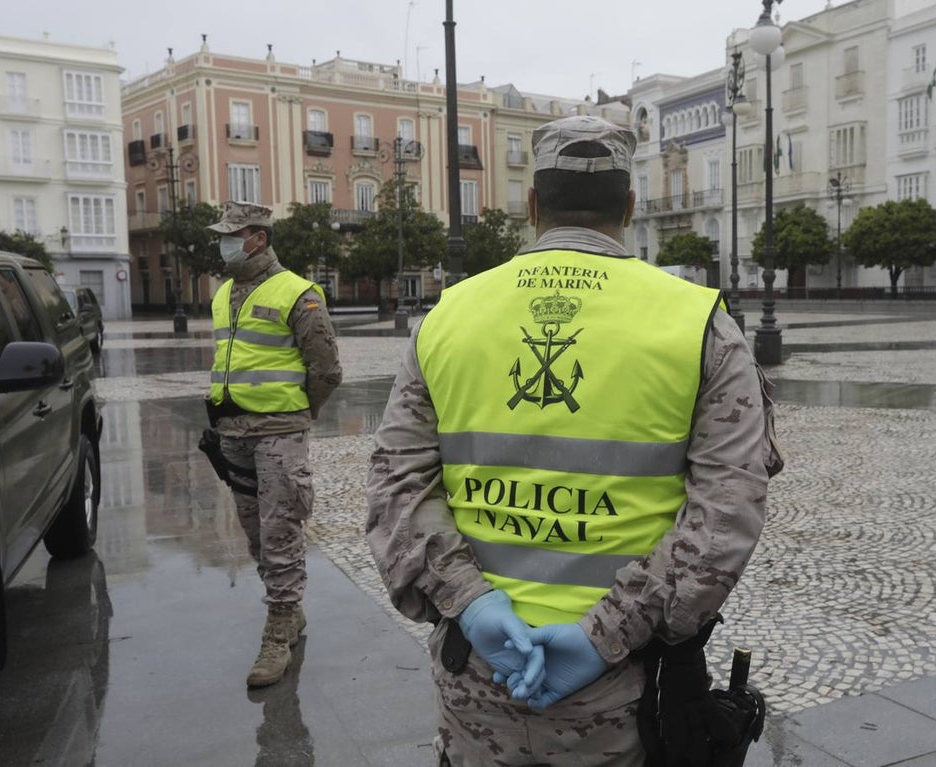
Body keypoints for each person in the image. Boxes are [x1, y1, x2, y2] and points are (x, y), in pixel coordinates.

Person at [365, 116, 782, 765]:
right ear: (629, 206)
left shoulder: (446, 318)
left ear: (533, 205)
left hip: (476, 677)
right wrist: (604, 633)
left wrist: (470, 604)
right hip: (626, 691)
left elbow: (395, 488)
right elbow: (727, 510)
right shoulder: (699, 324)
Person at [205, 201, 342, 688]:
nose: (224, 243)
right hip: (232, 431)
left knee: (280, 528)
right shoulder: (223, 293)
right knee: (253, 530)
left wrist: (300, 414)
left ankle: (280, 626)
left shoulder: (298, 292)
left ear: (258, 238)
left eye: (233, 234)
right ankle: (289, 607)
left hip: (279, 431)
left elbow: (326, 369)